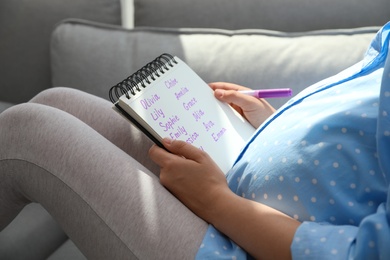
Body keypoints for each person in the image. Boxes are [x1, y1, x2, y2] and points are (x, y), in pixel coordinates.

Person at [1, 22, 389, 259]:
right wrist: (269, 129)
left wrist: (217, 202)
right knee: (59, 103)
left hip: (243, 244)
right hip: (233, 190)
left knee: (27, 131)